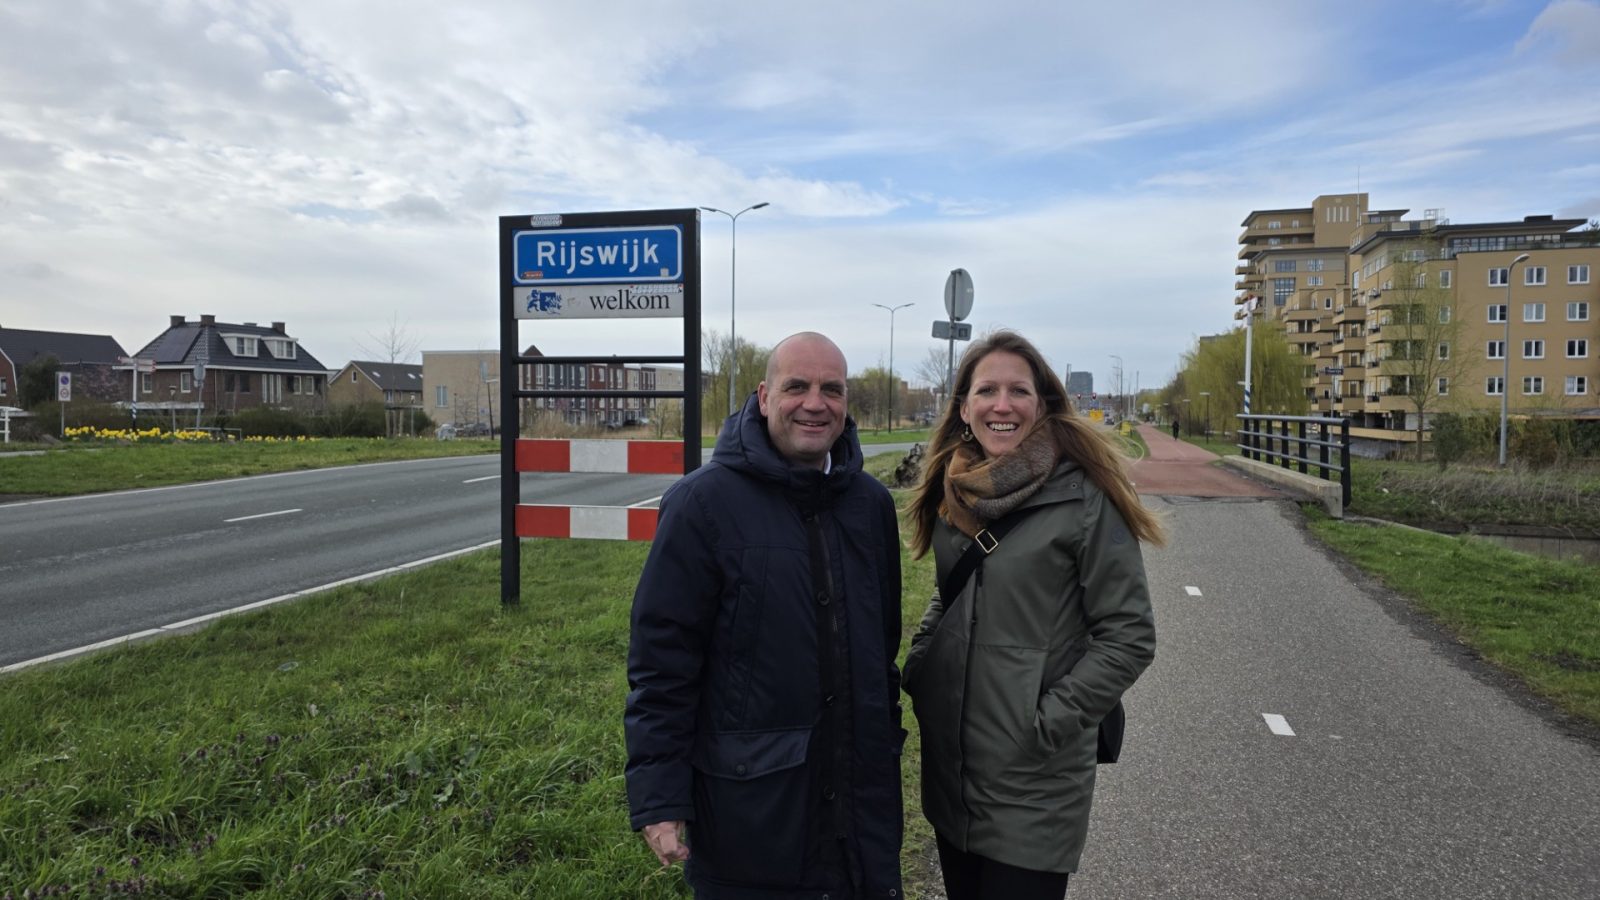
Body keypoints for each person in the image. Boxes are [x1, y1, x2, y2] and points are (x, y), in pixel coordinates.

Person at [624, 332, 906, 899]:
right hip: (750, 819)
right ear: (763, 396)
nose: (814, 403)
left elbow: (882, 649)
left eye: (832, 389)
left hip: (859, 817)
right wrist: (660, 796)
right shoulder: (703, 505)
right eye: (796, 386)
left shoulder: (871, 507)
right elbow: (663, 663)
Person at [901, 330, 1164, 900]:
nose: (1002, 404)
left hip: (1035, 779)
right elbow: (949, 596)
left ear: (1041, 404)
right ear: (965, 408)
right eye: (986, 390)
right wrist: (923, 665)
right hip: (954, 767)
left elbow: (1129, 636)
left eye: (1018, 390)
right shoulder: (956, 492)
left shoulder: (1084, 497)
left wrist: (1044, 722)